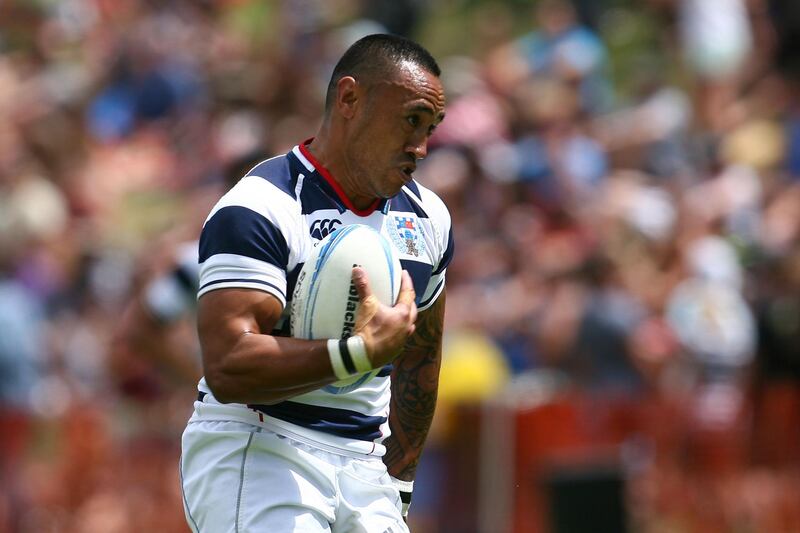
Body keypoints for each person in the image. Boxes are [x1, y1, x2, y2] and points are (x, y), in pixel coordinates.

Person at [180, 34, 452, 532]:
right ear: (349, 99)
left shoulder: (428, 218)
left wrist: (400, 482)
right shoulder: (261, 208)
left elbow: (420, 355)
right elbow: (227, 366)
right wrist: (355, 353)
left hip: (365, 463)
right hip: (260, 445)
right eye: (412, 120)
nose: (423, 146)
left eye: (431, 127)